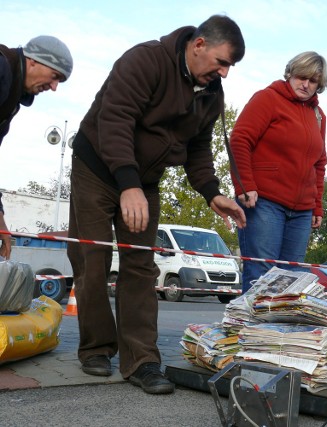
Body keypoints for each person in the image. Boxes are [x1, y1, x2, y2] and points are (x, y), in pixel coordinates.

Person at [66, 15, 246, 395]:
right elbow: (116, 120)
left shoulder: (211, 92)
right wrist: (127, 184)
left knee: (140, 267)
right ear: (199, 45)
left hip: (144, 181)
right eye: (221, 62)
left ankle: (142, 361)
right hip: (97, 169)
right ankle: (96, 348)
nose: (225, 73)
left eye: (229, 67)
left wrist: (211, 192)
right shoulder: (144, 61)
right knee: (92, 260)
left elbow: (198, 148)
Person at [230, 51, 327, 293]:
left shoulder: (318, 116)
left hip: (302, 212)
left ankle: (277, 332)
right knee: (261, 277)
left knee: (292, 281)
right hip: (264, 203)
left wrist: (317, 205)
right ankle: (250, 329)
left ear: (319, 84)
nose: (305, 85)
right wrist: (244, 186)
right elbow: (240, 140)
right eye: (301, 77)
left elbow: (319, 163)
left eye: (313, 81)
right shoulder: (267, 99)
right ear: (290, 74)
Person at [1, 36, 73, 257]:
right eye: (55, 77)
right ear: (33, 61)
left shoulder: (11, 90)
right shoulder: (2, 69)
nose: (54, 88)